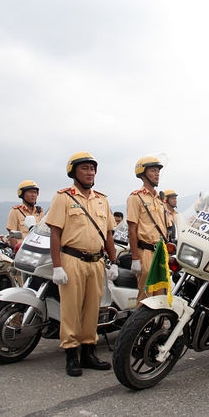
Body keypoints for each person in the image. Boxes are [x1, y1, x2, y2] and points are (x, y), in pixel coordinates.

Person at [45, 151, 119, 377]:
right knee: (70, 309)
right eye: (85, 168)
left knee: (92, 309)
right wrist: (57, 266)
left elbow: (107, 235)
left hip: (96, 262)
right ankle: (71, 354)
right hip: (72, 259)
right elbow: (55, 234)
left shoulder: (101, 199)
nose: (90, 172)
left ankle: (89, 352)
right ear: (73, 172)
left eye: (92, 168)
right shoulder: (64, 198)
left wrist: (113, 261)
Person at [127, 155, 171, 304]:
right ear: (143, 173)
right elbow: (132, 230)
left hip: (160, 251)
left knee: (160, 297)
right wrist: (135, 258)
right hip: (145, 252)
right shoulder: (136, 198)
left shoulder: (160, 199)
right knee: (145, 297)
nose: (157, 174)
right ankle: (141, 327)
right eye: (153, 170)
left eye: (158, 171)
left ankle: (156, 326)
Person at [7, 180, 44, 246]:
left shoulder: (39, 212)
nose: (33, 195)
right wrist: (15, 251)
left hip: (38, 249)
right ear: (22, 194)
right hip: (22, 250)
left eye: (35, 192)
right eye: (30, 192)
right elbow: (12, 235)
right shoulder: (15, 212)